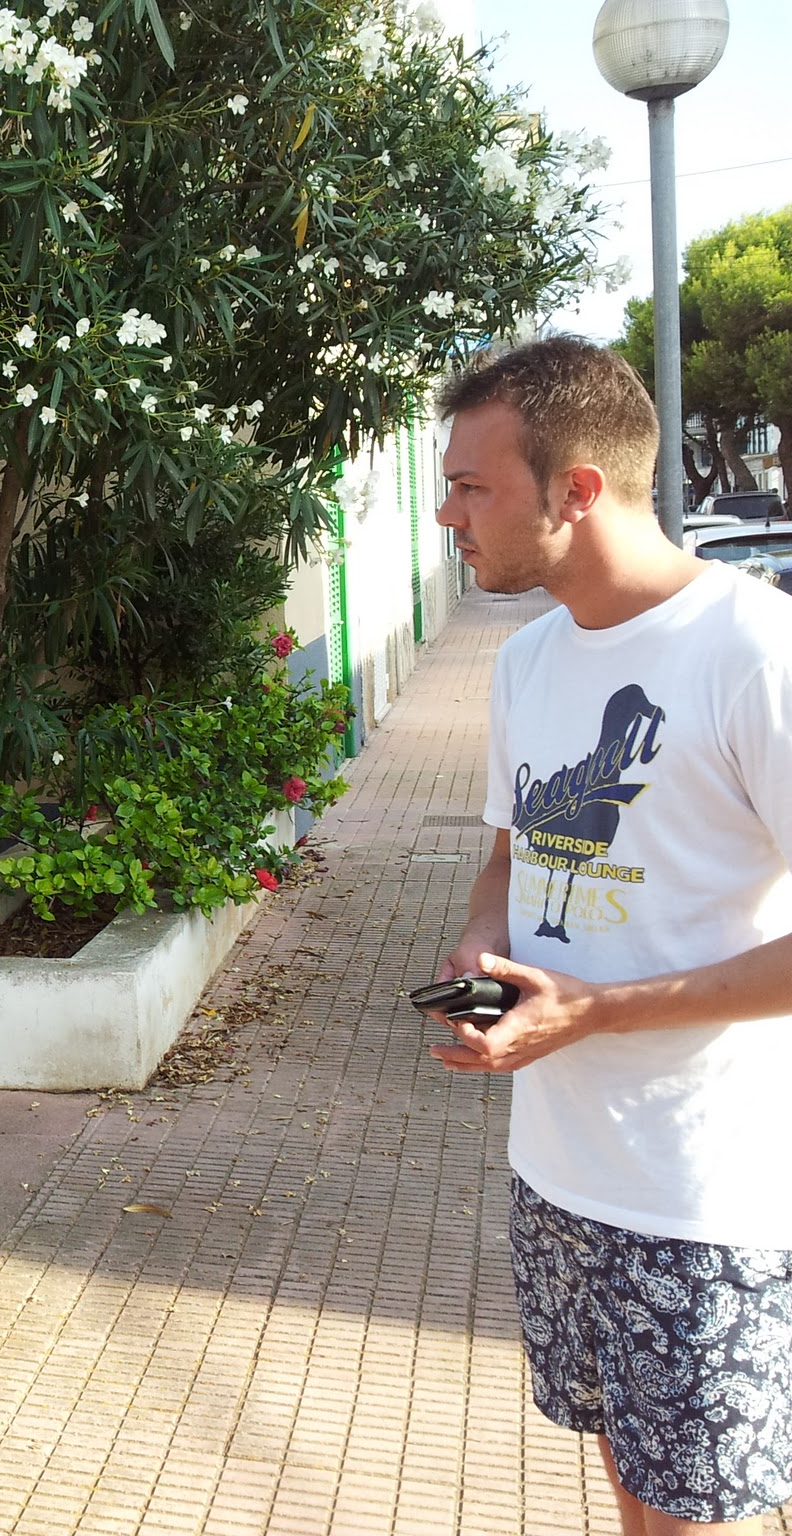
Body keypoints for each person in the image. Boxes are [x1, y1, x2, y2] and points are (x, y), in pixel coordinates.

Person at [430, 336, 792, 1535]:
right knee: (634, 1494)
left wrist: (594, 1013)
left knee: (695, 1513)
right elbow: (507, 858)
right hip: (559, 1171)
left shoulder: (754, 653)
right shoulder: (527, 659)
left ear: (575, 490)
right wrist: (480, 947)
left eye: (470, 486)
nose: (445, 515)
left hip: (706, 1194)